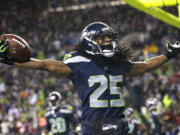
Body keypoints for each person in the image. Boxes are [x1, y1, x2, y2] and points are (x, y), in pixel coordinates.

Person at [0, 22, 180, 135]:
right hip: (97, 125)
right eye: (102, 39)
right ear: (90, 41)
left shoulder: (120, 63)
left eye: (109, 38)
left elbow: (146, 65)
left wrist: (168, 54)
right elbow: (44, 64)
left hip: (118, 123)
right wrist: (10, 62)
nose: (108, 41)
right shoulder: (78, 63)